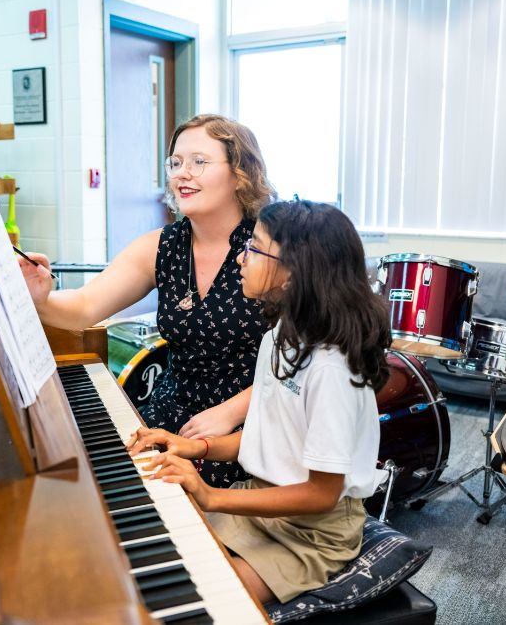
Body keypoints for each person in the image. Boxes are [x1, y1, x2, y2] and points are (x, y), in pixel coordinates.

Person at [126, 200, 391, 604]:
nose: (240, 257)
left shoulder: (332, 369)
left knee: (202, 597)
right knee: (155, 557)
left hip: (315, 532)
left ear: (293, 273)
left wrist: (212, 496)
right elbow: (268, 436)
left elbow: (320, 493)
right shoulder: (281, 335)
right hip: (263, 501)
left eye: (255, 247)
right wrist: (199, 447)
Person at [19, 114, 276, 487]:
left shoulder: (271, 247)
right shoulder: (163, 246)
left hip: (250, 427)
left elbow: (305, 360)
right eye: (175, 163)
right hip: (169, 418)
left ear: (240, 174)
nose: (182, 173)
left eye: (199, 162)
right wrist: (39, 298)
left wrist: (233, 410)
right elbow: (85, 306)